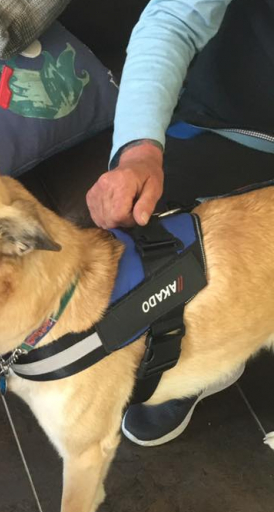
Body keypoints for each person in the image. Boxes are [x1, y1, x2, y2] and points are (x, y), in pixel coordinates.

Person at [86, 0, 273, 446]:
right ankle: (197, 358)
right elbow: (174, 18)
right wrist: (138, 151)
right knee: (150, 231)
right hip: (226, 123)